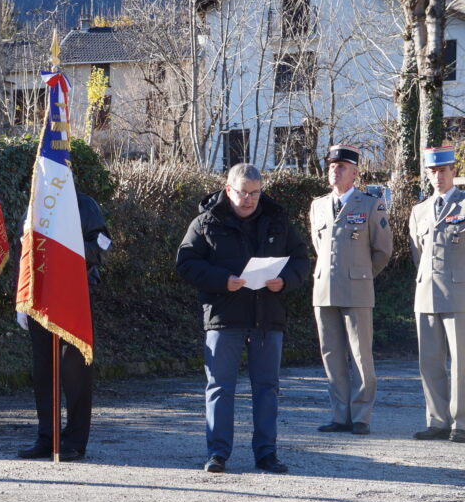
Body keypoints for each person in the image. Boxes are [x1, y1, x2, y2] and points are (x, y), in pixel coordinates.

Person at [176, 163, 309, 474]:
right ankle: (217, 454)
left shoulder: (278, 219)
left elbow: (302, 258)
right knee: (220, 387)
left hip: (268, 316)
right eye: (243, 193)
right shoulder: (205, 222)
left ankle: (266, 454)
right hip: (224, 315)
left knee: (267, 388)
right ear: (228, 190)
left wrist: (286, 280)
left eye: (255, 193)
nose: (249, 199)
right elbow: (186, 263)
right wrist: (222, 280)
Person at [16, 191, 111, 462]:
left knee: (74, 372)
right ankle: (47, 437)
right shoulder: (34, 204)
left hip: (74, 296)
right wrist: (20, 299)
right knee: (43, 372)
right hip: (40, 298)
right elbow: (22, 252)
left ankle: (74, 441)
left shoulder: (85, 204)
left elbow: (102, 246)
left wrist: (66, 252)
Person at [309, 145, 392, 435]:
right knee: (331, 354)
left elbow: (382, 250)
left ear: (355, 172)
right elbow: (319, 247)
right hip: (324, 289)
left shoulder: (370, 204)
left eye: (342, 166)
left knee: (359, 355)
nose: (335, 170)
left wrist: (361, 274)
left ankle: (360, 416)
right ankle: (339, 414)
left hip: (357, 289)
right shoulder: (317, 206)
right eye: (332, 165)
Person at [410, 145, 465, 443]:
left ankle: (462, 422)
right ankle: (438, 420)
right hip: (427, 293)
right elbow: (417, 253)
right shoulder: (419, 211)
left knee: (461, 363)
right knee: (429, 362)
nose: (438, 177)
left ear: (453, 171)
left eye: (442, 170)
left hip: (459, 294)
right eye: (432, 171)